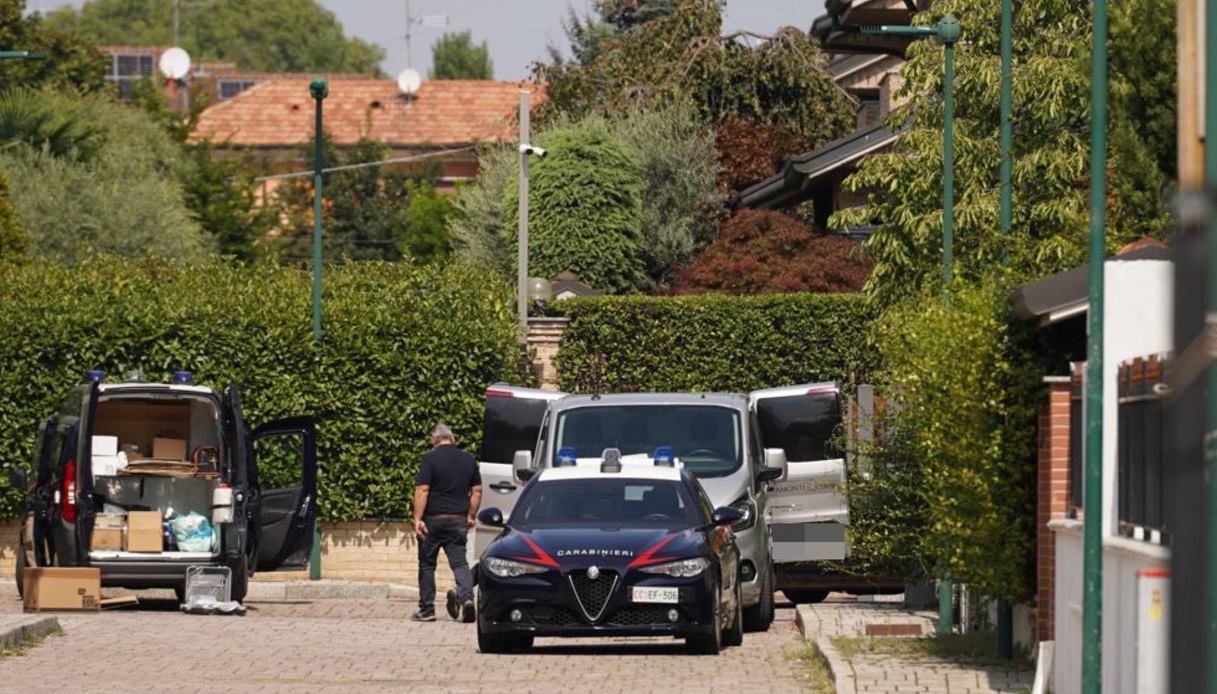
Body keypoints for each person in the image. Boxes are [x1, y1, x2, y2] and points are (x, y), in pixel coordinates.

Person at [411, 424, 482, 623]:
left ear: (435, 441)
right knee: (460, 563)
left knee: (427, 565)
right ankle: (467, 599)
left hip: (433, 520)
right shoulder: (468, 459)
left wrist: (418, 519)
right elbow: (476, 491)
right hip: (457, 519)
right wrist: (470, 515)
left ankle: (427, 610)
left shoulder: (429, 459)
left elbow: (422, 490)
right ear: (452, 439)